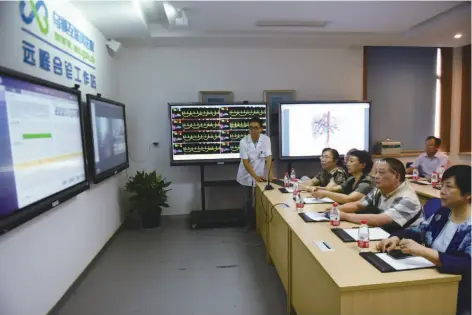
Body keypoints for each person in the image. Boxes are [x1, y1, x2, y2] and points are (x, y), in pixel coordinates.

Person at [377, 165, 471, 315]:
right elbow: (420, 230)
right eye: (442, 185)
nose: (442, 191)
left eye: (449, 187)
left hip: (458, 293)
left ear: (468, 195)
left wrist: (423, 251)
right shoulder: (444, 212)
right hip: (429, 278)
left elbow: (467, 265)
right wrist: (396, 237)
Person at [331, 158, 423, 232]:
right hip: (384, 233)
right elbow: (358, 205)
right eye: (376, 172)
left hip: (405, 242)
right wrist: (336, 209)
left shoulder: (408, 198)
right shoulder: (379, 190)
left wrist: (345, 216)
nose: (376, 176)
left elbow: (380, 219)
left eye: (381, 173)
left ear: (397, 176)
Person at [236, 117, 273, 229]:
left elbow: (268, 157)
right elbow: (246, 162)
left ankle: (259, 223)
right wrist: (255, 176)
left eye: (256, 128)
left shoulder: (266, 140)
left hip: (260, 174)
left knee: (259, 199)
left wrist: (271, 174)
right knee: (248, 200)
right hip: (246, 175)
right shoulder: (243, 142)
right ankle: (250, 223)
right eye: (251, 128)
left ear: (261, 129)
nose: (253, 130)